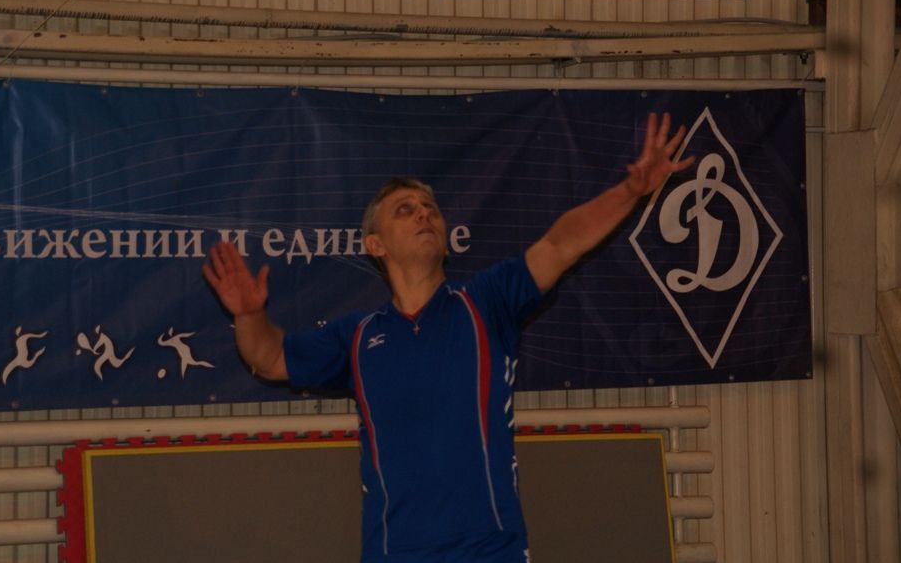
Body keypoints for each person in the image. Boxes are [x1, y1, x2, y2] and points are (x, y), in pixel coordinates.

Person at [202, 112, 694, 563]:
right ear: (375, 245)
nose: (424, 215)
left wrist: (631, 191)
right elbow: (268, 358)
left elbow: (561, 243)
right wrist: (249, 314)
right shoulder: (358, 336)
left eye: (430, 208)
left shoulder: (487, 303)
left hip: (491, 551)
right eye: (405, 210)